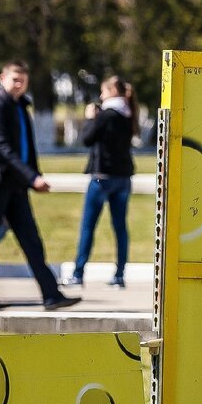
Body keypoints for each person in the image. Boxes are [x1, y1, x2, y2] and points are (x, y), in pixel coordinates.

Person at [0, 61, 80, 311]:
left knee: (31, 241)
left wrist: (33, 175)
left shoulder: (20, 105)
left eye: (22, 81)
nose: (19, 84)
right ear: (2, 78)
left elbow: (27, 147)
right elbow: (3, 148)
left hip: (16, 185)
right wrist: (32, 177)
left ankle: (51, 295)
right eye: (14, 79)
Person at [68, 75, 137, 288]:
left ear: (112, 92)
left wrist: (90, 118)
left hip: (102, 178)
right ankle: (119, 275)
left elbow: (87, 138)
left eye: (103, 92)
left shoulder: (106, 115)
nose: (100, 96)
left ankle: (78, 274)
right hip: (123, 177)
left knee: (88, 226)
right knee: (120, 227)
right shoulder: (129, 114)